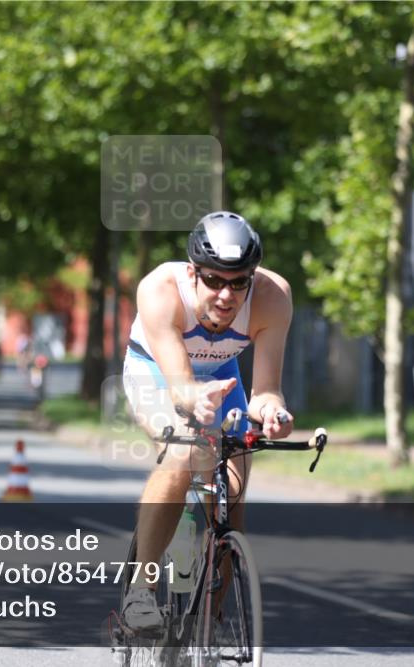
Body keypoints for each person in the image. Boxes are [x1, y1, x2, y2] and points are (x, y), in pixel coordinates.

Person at [119, 211, 294, 630]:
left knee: (231, 493)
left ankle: (207, 624)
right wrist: (194, 400)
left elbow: (265, 391)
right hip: (157, 371)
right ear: (192, 273)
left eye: (239, 282)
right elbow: (181, 388)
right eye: (214, 280)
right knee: (181, 452)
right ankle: (141, 591)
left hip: (221, 376)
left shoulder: (273, 296)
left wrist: (273, 413)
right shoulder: (160, 290)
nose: (226, 294)